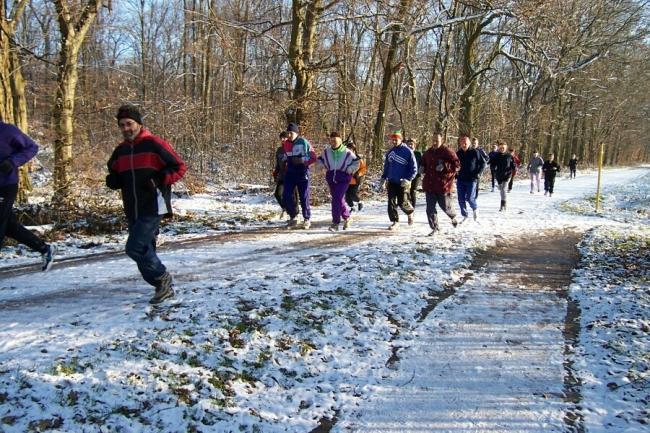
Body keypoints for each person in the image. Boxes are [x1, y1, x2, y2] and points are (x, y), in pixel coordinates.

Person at [106, 104, 187, 304]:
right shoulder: (121, 150)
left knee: (135, 247)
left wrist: (160, 179)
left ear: (139, 123)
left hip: (154, 205)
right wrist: (113, 180)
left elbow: (179, 167)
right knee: (146, 248)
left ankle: (162, 279)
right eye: (122, 125)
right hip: (132, 207)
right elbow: (113, 171)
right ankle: (161, 287)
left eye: (129, 124)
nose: (126, 128)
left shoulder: (154, 144)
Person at [0, 120, 55, 271]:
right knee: (10, 227)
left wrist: (12, 162)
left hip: (5, 184)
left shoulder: (7, 131)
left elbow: (32, 147)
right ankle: (44, 249)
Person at [317, 132, 360, 231]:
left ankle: (335, 223)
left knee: (336, 198)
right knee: (339, 199)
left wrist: (349, 170)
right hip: (331, 178)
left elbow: (357, 162)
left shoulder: (347, 152)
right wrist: (320, 166)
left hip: (344, 178)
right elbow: (320, 160)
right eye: (331, 140)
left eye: (335, 140)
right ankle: (347, 217)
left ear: (340, 140)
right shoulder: (326, 152)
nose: (333, 142)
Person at [421, 133, 460, 236]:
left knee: (445, 206)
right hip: (429, 184)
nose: (434, 143)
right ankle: (435, 228)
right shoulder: (428, 152)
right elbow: (423, 162)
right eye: (433, 140)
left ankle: (453, 216)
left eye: (436, 141)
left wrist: (444, 166)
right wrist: (422, 167)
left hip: (443, 185)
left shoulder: (447, 151)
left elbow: (457, 165)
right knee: (430, 209)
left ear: (441, 141)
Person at [379, 130, 417, 230]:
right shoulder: (390, 152)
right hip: (391, 181)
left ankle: (410, 213)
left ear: (400, 139)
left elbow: (414, 168)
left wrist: (408, 179)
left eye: (396, 140)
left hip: (403, 182)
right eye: (393, 140)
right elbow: (387, 167)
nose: (394, 142)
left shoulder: (408, 151)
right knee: (391, 201)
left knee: (402, 202)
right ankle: (395, 221)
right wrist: (383, 178)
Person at [282, 122, 316, 229]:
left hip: (302, 173)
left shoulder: (304, 142)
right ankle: (293, 217)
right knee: (286, 195)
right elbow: (286, 156)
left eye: (291, 133)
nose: (289, 135)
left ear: (296, 133)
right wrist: (283, 161)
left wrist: (301, 160)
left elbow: (313, 157)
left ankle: (307, 218)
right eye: (288, 133)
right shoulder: (286, 143)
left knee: (304, 196)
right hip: (290, 173)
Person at [456, 135, 485, 222]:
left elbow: (483, 164)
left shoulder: (475, 152)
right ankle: (464, 215)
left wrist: (478, 173)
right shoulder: (458, 153)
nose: (464, 144)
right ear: (460, 143)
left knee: (469, 198)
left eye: (466, 142)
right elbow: (454, 165)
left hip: (472, 179)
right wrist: (455, 174)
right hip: (461, 179)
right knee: (460, 199)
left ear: (469, 143)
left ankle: (475, 208)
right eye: (462, 142)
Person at [272, 131, 298, 218]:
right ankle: (286, 208)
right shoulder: (279, 150)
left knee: (292, 195)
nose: (282, 139)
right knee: (278, 194)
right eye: (281, 138)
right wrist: (275, 172)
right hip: (282, 176)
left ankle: (295, 214)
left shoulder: (292, 147)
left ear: (288, 138)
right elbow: (277, 164)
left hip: (291, 175)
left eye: (284, 138)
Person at [490, 140, 516, 211]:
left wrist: (514, 168)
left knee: (504, 189)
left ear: (506, 148)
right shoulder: (496, 156)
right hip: (499, 175)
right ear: (498, 148)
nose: (502, 149)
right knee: (501, 190)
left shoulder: (509, 156)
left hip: (507, 175)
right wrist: (493, 168)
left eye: (503, 148)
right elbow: (492, 164)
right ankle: (504, 201)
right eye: (500, 148)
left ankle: (502, 205)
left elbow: (513, 164)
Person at [345, 141, 366, 212]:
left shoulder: (358, 159)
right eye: (348, 149)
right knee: (347, 196)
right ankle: (352, 208)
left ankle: (360, 202)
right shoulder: (344, 158)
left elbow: (363, 168)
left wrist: (359, 173)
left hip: (355, 179)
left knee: (352, 194)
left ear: (354, 150)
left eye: (351, 149)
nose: (349, 150)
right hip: (346, 180)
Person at [406, 138, 422, 207]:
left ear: (414, 145)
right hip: (407, 175)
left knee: (413, 190)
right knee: (406, 191)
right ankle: (408, 204)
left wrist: (422, 169)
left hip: (416, 175)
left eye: (411, 144)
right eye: (408, 144)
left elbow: (422, 163)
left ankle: (413, 207)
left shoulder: (418, 154)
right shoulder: (405, 153)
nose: (410, 146)